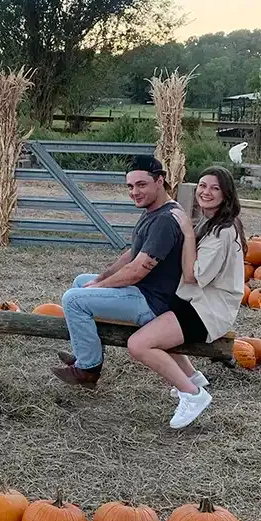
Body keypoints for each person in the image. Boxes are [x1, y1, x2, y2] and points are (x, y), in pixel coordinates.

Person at [126, 167, 246, 429]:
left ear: (226, 194)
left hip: (208, 310)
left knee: (139, 344)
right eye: (202, 185)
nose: (206, 192)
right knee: (155, 321)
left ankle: (193, 395)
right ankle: (193, 377)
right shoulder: (211, 222)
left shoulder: (222, 232)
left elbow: (192, 276)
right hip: (195, 301)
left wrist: (188, 233)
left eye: (215, 188)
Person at [52, 156, 183, 390]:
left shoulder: (165, 220)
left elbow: (137, 270)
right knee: (82, 282)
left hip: (152, 304)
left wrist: (101, 288)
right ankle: (86, 353)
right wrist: (100, 279)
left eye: (141, 184)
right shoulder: (153, 211)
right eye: (130, 186)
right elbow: (131, 255)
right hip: (142, 291)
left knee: (73, 300)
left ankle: (88, 369)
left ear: (159, 181)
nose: (134, 192)